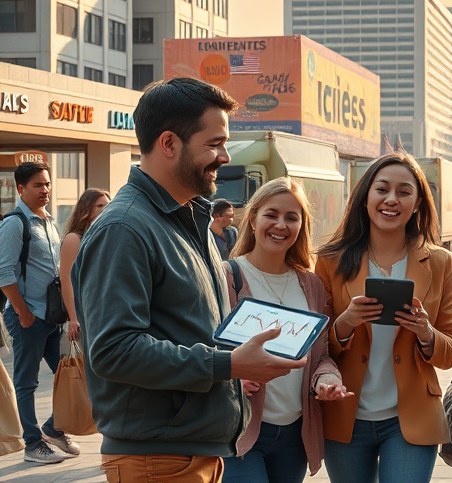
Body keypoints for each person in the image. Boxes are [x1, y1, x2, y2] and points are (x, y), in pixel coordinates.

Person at [75, 78, 305, 483]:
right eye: (214, 143)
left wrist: (239, 359)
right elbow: (112, 350)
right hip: (157, 460)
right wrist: (227, 363)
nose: (224, 155)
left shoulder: (186, 219)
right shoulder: (125, 228)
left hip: (191, 454)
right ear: (169, 143)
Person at [315, 152, 452, 483]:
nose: (391, 199)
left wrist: (426, 333)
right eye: (382, 189)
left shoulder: (438, 262)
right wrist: (345, 323)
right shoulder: (330, 260)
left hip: (410, 419)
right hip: (345, 416)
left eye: (404, 191)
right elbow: (315, 346)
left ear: (418, 202)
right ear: (365, 195)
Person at [222, 178, 351, 483]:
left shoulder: (311, 285)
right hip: (241, 432)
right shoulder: (228, 276)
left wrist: (328, 382)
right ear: (253, 218)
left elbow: (321, 357)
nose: (281, 225)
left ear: (301, 227)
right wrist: (234, 374)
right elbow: (206, 350)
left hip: (294, 436)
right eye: (271, 214)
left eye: (292, 218)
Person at [0, 162, 79, 464]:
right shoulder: (14, 223)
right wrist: (23, 314)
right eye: (37, 185)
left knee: (71, 375)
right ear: (21, 188)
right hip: (28, 316)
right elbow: (4, 273)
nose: (45, 190)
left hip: (51, 317)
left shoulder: (47, 221)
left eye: (47, 184)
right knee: (27, 382)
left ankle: (52, 429)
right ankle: (33, 444)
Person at [58, 188, 111, 342]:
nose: (106, 209)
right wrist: (73, 318)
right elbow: (66, 279)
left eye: (108, 205)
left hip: (103, 310)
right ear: (86, 209)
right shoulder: (74, 238)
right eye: (100, 206)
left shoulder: (104, 236)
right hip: (83, 312)